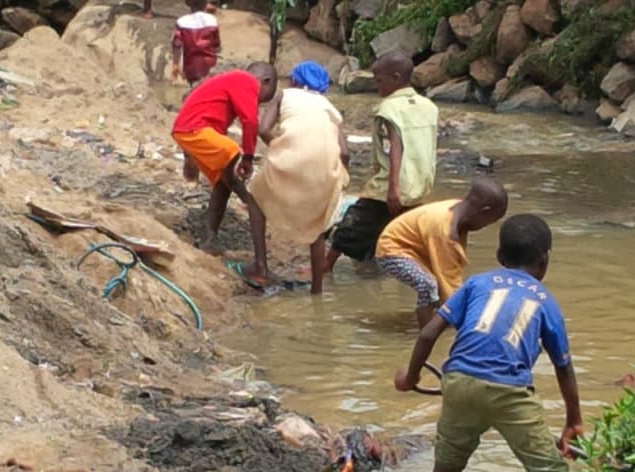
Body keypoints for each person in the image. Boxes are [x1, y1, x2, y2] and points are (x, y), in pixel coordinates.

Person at [394, 213, 584, 472]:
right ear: (545, 260)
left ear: (498, 256)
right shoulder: (547, 303)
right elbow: (563, 367)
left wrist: (411, 376)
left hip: (459, 382)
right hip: (509, 392)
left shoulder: (476, 284)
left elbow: (429, 332)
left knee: (447, 465)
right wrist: (573, 419)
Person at [324, 50, 438, 272]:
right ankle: (385, 268)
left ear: (395, 78)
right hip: (420, 183)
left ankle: (325, 267)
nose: (377, 88)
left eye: (379, 81)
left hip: (390, 184)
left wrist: (393, 188)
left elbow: (395, 147)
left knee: (354, 224)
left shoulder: (389, 108)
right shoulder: (428, 107)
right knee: (402, 232)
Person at [171, 62, 278, 284]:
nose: (257, 104)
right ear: (265, 81)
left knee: (222, 183)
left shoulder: (231, 81)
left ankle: (209, 239)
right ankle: (248, 199)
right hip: (193, 129)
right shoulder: (246, 80)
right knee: (231, 151)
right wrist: (248, 156)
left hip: (196, 130)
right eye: (262, 100)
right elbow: (250, 121)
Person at [250, 61, 350, 295]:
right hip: (326, 168)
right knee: (318, 226)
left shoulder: (285, 95)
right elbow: (344, 152)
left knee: (255, 197)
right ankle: (317, 290)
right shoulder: (329, 107)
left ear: (294, 81)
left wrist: (279, 147)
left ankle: (261, 266)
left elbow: (263, 129)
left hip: (290, 158)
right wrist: (341, 177)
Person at [375, 177, 508, 328]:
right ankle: (427, 330)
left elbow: (452, 272)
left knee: (441, 288)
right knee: (428, 285)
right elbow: (449, 283)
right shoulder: (445, 232)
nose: (485, 227)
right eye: (489, 222)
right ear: (484, 212)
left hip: (416, 247)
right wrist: (468, 325)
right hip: (392, 250)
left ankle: (437, 319)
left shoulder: (460, 210)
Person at [172, 0, 221, 184]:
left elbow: (177, 44)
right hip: (210, 69)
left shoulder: (182, 21)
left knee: (194, 110)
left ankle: (191, 170)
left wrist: (176, 64)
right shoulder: (212, 20)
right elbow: (216, 44)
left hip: (193, 69)